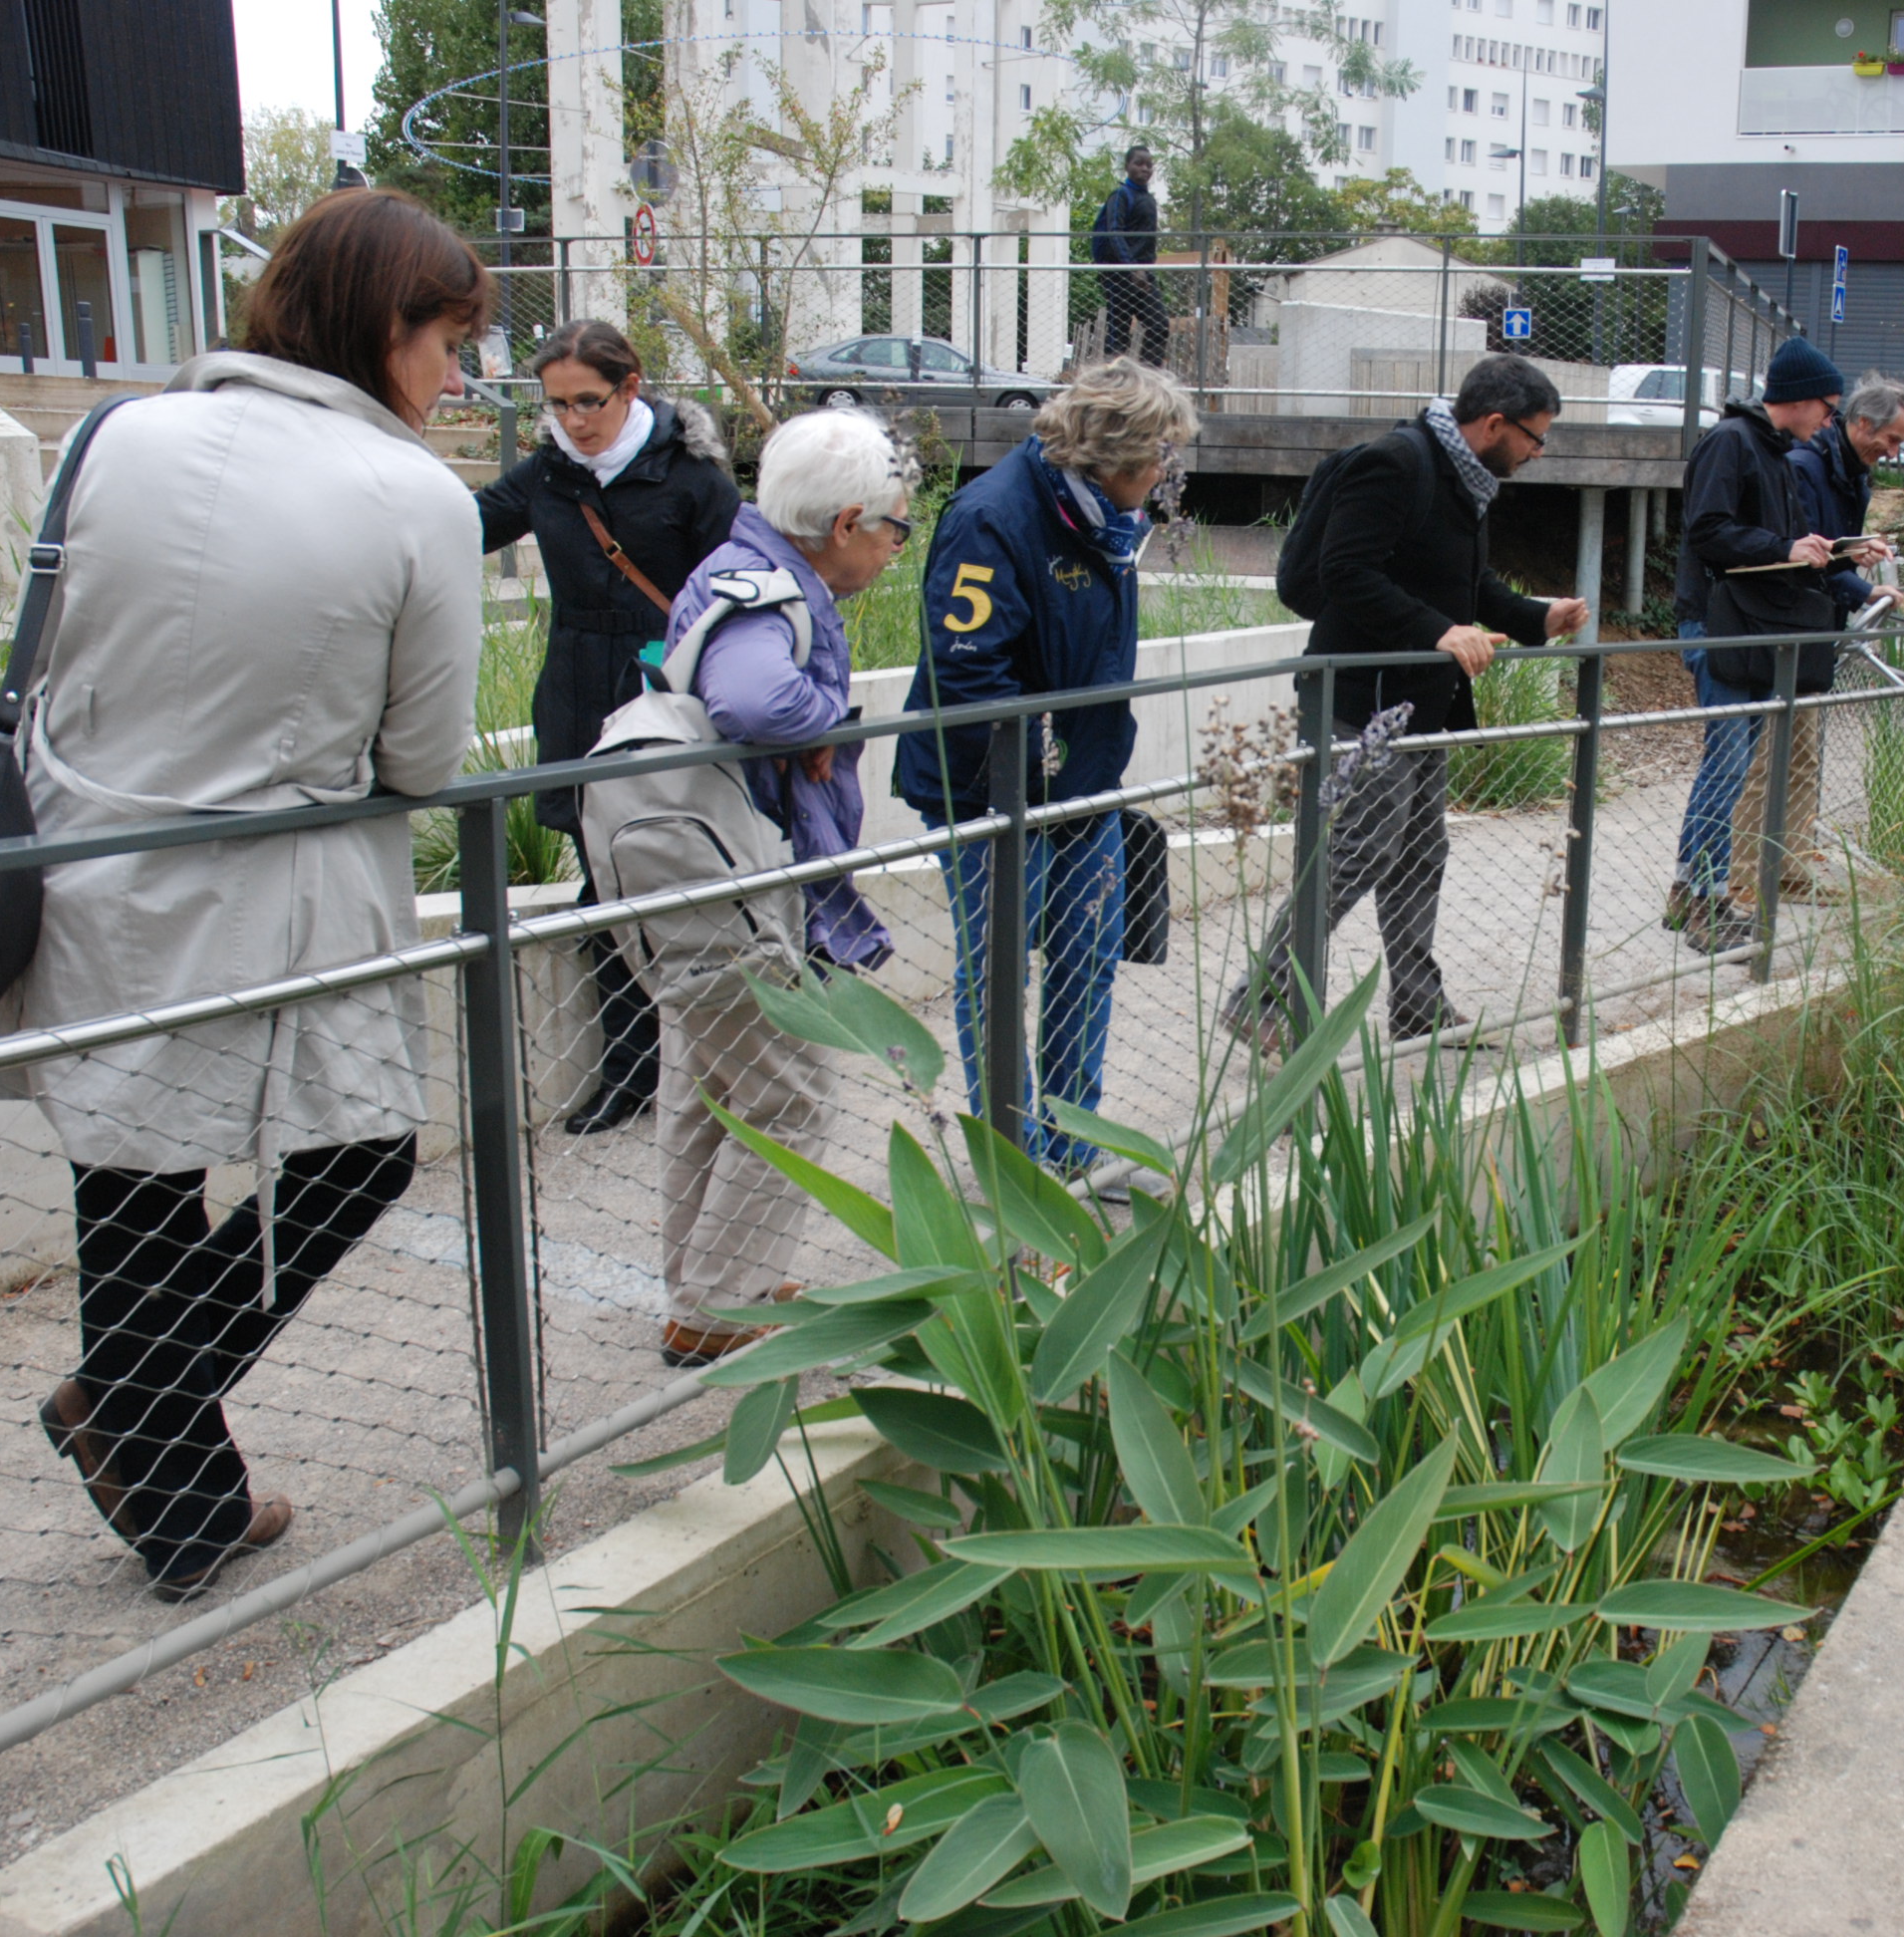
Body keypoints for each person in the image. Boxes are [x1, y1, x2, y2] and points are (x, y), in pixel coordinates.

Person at [16, 188, 488, 1599]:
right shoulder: (414, 494)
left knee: (132, 1173)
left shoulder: (117, 434)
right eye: (449, 341)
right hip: (275, 889)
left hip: (87, 866)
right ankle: (140, 1412)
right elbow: (420, 753)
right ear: (380, 325)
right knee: (363, 1152)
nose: (458, 377)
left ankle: (179, 1502)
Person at [1224, 356, 1587, 1050]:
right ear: (1493, 424)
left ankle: (1417, 1006)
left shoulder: (1465, 480)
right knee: (1357, 851)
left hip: (1419, 704)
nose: (1539, 453)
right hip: (1361, 701)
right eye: (1535, 438)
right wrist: (1438, 631)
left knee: (1421, 852)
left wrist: (1541, 617)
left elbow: (1467, 584)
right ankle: (1264, 1002)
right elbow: (1344, 572)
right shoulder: (1398, 463)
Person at [894, 360, 1199, 1175]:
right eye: (1160, 453)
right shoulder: (992, 518)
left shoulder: (1109, 517)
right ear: (1117, 453)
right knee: (997, 972)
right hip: (991, 793)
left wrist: (1086, 773)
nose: (1167, 470)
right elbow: (968, 674)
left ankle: (1072, 1142)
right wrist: (1044, 770)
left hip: (1084, 787)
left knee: (1086, 956)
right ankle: (1012, 1155)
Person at [653, 410, 907, 1366]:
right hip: (745, 887)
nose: (892, 548)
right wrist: (825, 724)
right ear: (845, 524)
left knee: (707, 1086)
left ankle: (713, 1282)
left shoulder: (736, 570)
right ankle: (716, 1304)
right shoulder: (769, 595)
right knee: (789, 1093)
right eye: (892, 527)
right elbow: (754, 699)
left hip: (703, 875)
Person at [474, 318, 741, 1135]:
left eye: (587, 401)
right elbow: (457, 526)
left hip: (666, 697)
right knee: (603, 889)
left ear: (631, 388)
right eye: (555, 405)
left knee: (682, 885)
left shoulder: (691, 478)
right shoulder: (550, 473)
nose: (571, 420)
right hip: (580, 696)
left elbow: (741, 592)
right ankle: (630, 1071)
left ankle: (711, 1068)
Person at [1666, 335, 1848, 954]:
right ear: (1797, 398)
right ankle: (1707, 901)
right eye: (1829, 405)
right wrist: (1784, 549)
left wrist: (1840, 550)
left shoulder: (1771, 450)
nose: (1832, 419)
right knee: (1729, 762)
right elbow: (1708, 530)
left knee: (1730, 762)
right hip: (1721, 621)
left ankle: (1695, 893)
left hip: (1749, 622)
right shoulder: (1732, 441)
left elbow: (1783, 542)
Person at [1735, 371, 1904, 908]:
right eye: (1892, 439)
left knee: (1803, 752)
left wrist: (1855, 559)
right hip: (1788, 625)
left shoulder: (1848, 470)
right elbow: (1805, 551)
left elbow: (1830, 547)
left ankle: (1788, 866)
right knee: (1771, 753)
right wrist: (1860, 587)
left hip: (1817, 623)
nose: (1894, 450)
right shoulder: (1809, 467)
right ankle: (1743, 874)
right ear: (1861, 424)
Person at [1090, 146, 1167, 368]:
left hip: (1145, 275)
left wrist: (1145, 269)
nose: (1145, 168)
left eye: (1149, 165)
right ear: (1127, 166)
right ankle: (1113, 385)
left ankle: (1146, 379)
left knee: (1159, 325)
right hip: (1119, 275)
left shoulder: (1149, 200)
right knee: (1118, 333)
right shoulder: (1121, 196)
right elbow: (1114, 232)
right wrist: (1132, 267)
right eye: (1139, 163)